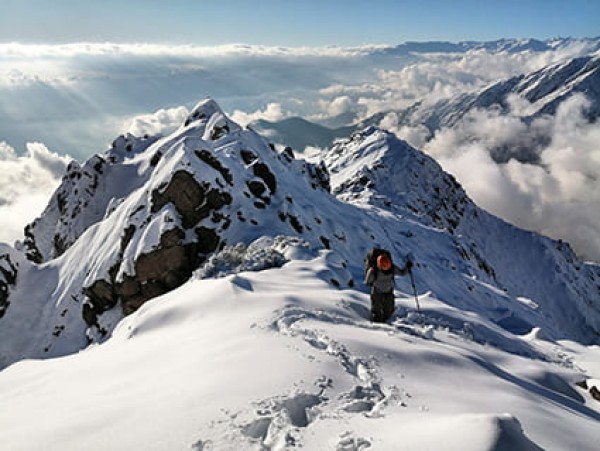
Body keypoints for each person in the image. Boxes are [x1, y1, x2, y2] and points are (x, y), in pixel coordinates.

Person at [365, 252, 412, 323]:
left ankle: (384, 323)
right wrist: (407, 268)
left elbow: (402, 273)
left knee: (389, 311)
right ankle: (377, 326)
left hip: (386, 292)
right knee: (377, 312)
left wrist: (407, 268)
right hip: (378, 293)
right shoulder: (373, 270)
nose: (386, 269)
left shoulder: (391, 268)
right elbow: (368, 281)